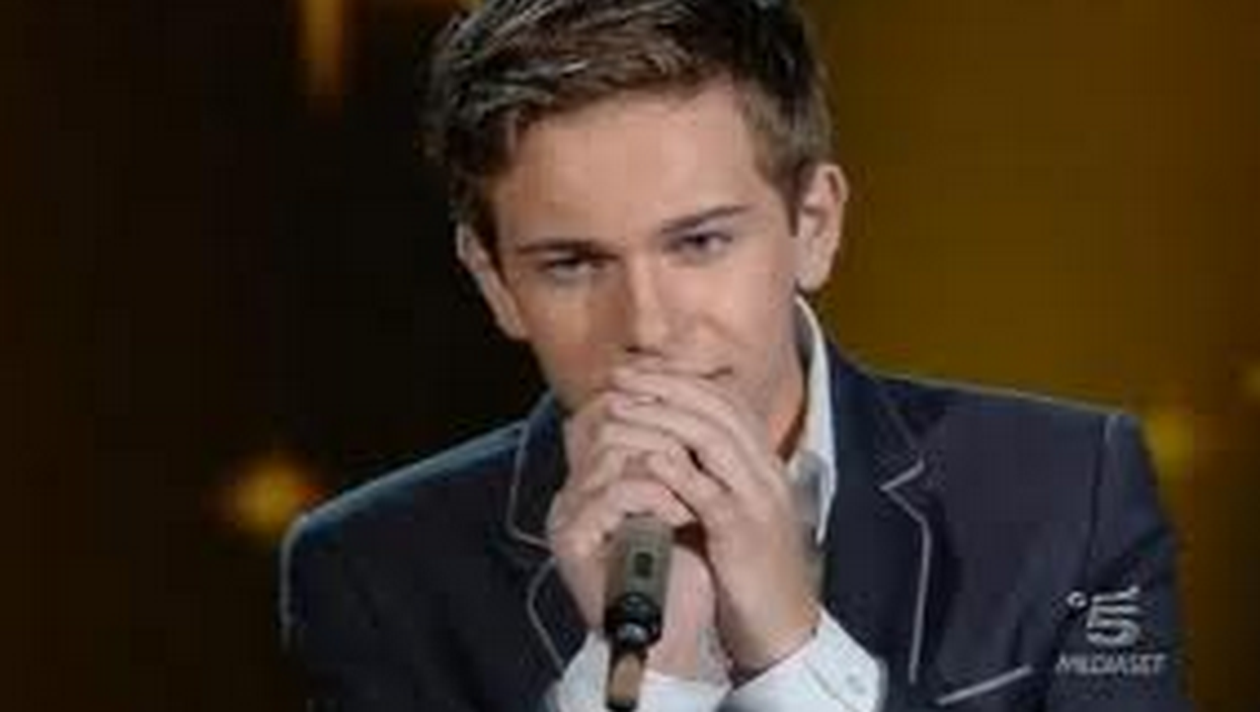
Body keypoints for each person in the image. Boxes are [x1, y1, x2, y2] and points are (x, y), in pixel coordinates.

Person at [279, 1, 1193, 710]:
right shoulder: (371, 574)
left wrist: (794, 653)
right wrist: (646, 684)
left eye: (700, 243)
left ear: (814, 226)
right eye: (572, 264)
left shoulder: (1073, 494)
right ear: (495, 281)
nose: (648, 327)